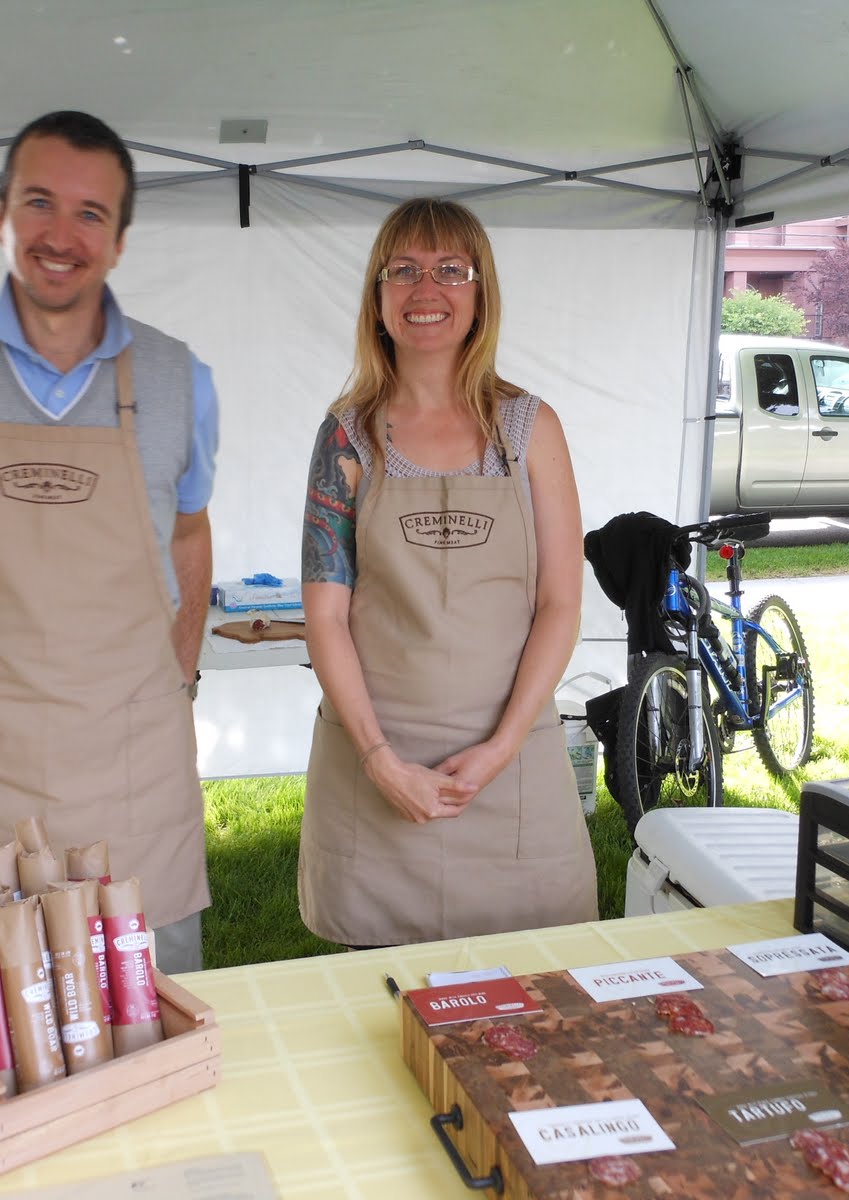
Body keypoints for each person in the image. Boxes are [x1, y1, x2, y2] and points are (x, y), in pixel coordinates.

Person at [0, 111, 217, 973]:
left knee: (152, 1020)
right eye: (39, 203)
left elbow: (190, 532)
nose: (61, 235)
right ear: (1, 216)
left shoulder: (182, 380)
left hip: (133, 773)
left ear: (120, 240)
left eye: (90, 213)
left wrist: (179, 675)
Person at [297, 197, 599, 947]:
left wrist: (500, 746)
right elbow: (326, 615)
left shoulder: (530, 428)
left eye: (450, 270)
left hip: (510, 760)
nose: (425, 289)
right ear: (377, 296)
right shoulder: (346, 437)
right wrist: (380, 761)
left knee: (533, 991)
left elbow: (561, 603)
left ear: (480, 292)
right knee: (373, 997)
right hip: (376, 763)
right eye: (403, 270)